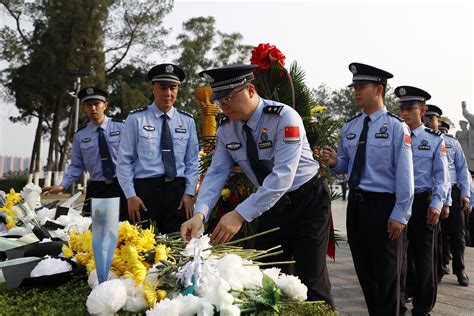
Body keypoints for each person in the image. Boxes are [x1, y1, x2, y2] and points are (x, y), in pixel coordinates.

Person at [180, 64, 334, 307]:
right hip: (269, 205)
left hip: (308, 201)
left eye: (229, 98)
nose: (224, 106)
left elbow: (283, 175)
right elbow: (217, 172)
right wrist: (200, 214)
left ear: (250, 90)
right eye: (220, 100)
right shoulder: (227, 129)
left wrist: (240, 214)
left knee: (311, 281)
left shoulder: (284, 117)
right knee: (268, 278)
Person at [323, 62, 414, 316]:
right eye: (354, 87)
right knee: (365, 273)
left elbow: (405, 176)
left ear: (379, 89)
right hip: (357, 207)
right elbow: (345, 165)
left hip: (384, 207)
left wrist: (400, 214)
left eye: (361, 87)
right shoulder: (350, 127)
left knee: (387, 277)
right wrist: (333, 163)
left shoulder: (396, 126)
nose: (355, 91)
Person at [116, 63, 199, 233]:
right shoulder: (136, 119)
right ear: (153, 88)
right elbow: (124, 161)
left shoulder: (187, 121)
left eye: (173, 88)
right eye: (163, 87)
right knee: (139, 248)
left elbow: (192, 161)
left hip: (177, 192)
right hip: (144, 192)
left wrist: (189, 193)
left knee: (177, 246)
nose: (168, 93)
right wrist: (130, 195)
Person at [396, 86, 449, 316]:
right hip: (396, 203)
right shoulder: (393, 134)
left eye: (410, 109)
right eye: (402, 109)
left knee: (424, 257)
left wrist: (437, 203)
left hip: (422, 203)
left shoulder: (434, 140)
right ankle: (398, 299)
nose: (404, 114)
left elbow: (441, 175)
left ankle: (423, 306)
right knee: (396, 258)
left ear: (423, 111)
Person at [42, 87, 128, 220]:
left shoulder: (122, 127)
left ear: (105, 105)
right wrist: (63, 185)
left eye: (96, 104)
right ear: (84, 108)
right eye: (89, 105)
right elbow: (76, 166)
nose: (93, 108)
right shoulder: (80, 136)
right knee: (99, 233)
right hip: (98, 188)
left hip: (122, 185)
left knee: (127, 229)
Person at [426, 113, 471, 286]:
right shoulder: (418, 139)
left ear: (438, 121)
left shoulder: (452, 143)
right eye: (426, 119)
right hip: (430, 192)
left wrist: (465, 194)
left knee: (457, 233)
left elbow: (462, 169)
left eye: (432, 119)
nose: (429, 123)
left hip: (452, 190)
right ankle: (438, 267)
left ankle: (459, 269)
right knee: (436, 234)